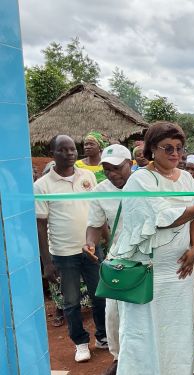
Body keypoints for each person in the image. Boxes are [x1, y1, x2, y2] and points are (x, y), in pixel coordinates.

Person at [113, 121, 194, 375]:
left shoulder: (185, 178)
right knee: (145, 331)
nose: (175, 154)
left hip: (178, 271)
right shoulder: (141, 180)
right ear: (152, 148)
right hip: (148, 271)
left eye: (179, 148)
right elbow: (162, 218)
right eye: (168, 148)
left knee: (177, 330)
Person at [34, 134, 106, 363]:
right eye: (63, 150)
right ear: (53, 154)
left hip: (92, 249)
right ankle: (80, 342)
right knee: (72, 302)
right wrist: (47, 262)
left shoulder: (88, 177)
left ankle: (103, 337)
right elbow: (41, 225)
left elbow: (98, 211)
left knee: (101, 296)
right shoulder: (42, 186)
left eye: (72, 149)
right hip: (64, 254)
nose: (70, 153)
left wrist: (106, 241)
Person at [83, 144, 133, 375]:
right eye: (107, 170)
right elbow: (93, 225)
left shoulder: (146, 184)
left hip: (148, 259)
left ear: (130, 164)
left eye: (117, 168)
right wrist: (90, 242)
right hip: (118, 260)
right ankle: (119, 358)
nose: (112, 174)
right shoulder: (100, 191)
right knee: (113, 314)